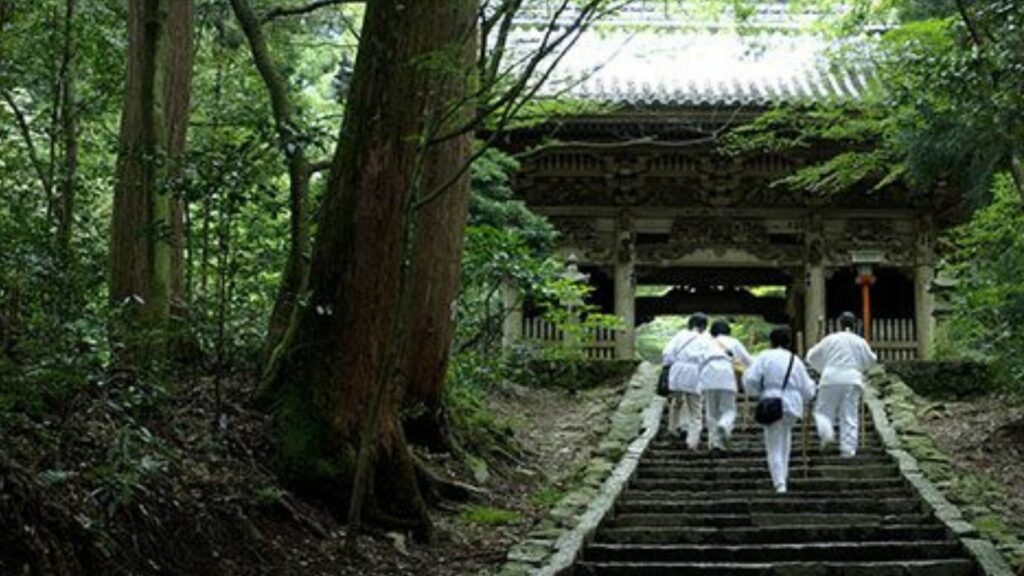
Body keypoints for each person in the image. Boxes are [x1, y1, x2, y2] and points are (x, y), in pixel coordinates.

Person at [743, 326, 816, 493]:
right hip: (792, 404)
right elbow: (807, 388)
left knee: (774, 444)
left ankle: (780, 483)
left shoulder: (764, 357)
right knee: (786, 441)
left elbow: (751, 379)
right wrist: (811, 394)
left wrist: (759, 392)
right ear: (789, 342)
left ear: (771, 341)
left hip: (771, 402)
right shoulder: (794, 360)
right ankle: (783, 477)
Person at [806, 311, 877, 458]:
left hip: (830, 377)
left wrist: (823, 368)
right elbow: (871, 360)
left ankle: (826, 436)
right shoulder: (859, 341)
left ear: (840, 324)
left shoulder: (830, 339)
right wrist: (859, 367)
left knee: (823, 411)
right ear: (855, 324)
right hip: (851, 378)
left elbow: (811, 356)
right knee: (849, 414)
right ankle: (848, 450)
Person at [698, 319, 753, 450]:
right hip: (726, 374)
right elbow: (749, 361)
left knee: (711, 411)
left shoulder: (705, 343)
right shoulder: (734, 342)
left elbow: (699, 362)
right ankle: (724, 424)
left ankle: (715, 443)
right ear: (728, 331)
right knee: (729, 409)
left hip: (708, 374)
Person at [661, 313, 708, 450]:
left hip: (677, 371)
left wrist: (669, 365)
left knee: (676, 403)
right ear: (704, 326)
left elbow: (667, 353)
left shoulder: (680, 336)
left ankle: (672, 430)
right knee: (695, 410)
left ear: (690, 324)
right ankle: (692, 442)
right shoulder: (706, 339)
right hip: (695, 373)